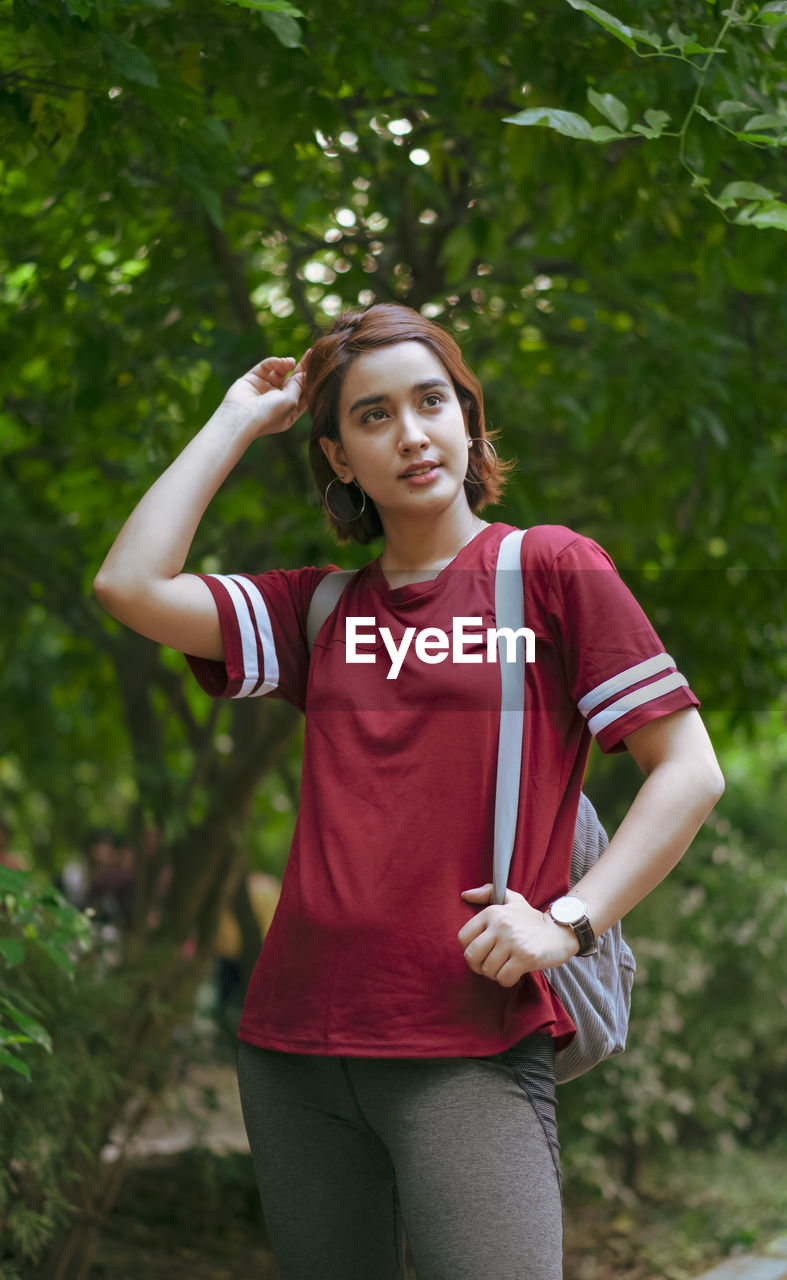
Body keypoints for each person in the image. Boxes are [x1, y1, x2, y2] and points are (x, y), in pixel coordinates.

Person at [93, 303, 724, 1280]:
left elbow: (687, 768)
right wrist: (233, 418)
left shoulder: (546, 568)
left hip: (465, 1036)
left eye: (431, 401)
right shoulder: (320, 610)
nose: (411, 433)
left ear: (468, 420)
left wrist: (569, 921)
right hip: (291, 1047)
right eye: (373, 415)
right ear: (340, 455)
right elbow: (130, 584)